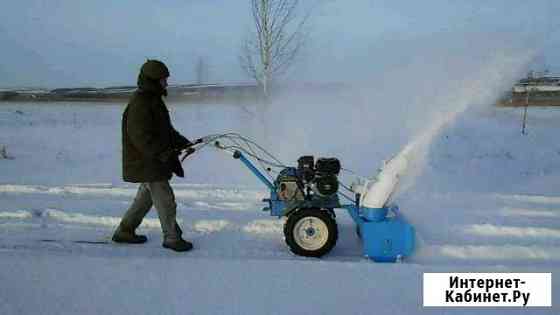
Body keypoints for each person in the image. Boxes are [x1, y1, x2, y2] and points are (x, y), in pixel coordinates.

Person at [112, 59, 194, 252]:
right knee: (165, 200)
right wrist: (163, 153)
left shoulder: (153, 100)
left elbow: (166, 131)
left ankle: (125, 231)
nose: (166, 83)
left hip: (153, 161)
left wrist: (184, 142)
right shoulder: (141, 103)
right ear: (152, 80)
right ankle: (172, 238)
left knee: (144, 200)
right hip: (148, 162)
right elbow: (140, 137)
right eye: (163, 79)